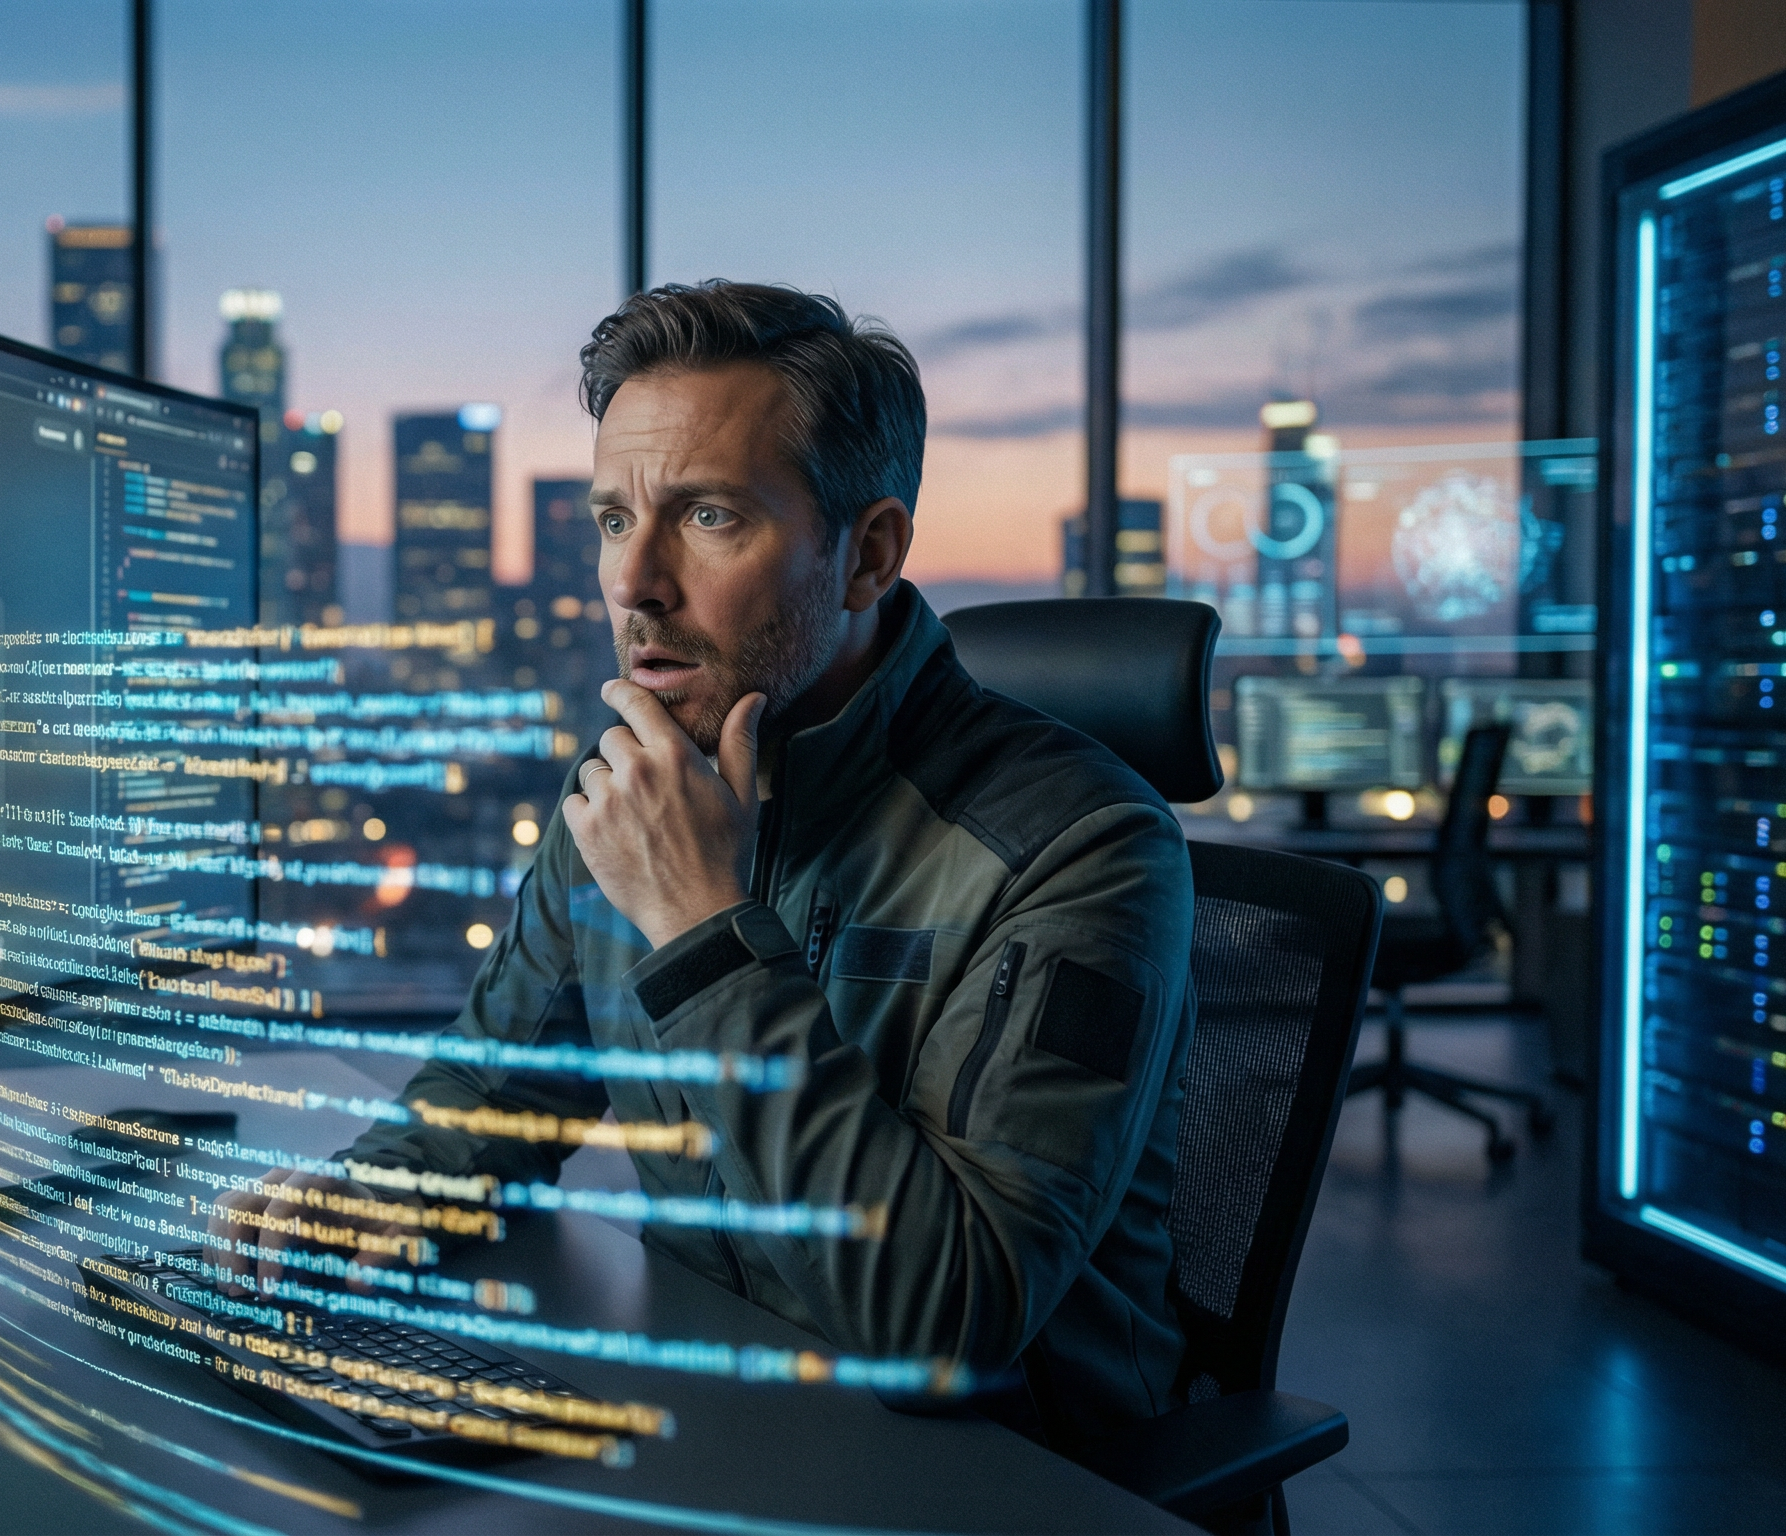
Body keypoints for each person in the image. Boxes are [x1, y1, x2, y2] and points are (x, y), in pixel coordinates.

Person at [210, 280, 1194, 1448]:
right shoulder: (638, 784)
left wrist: (702, 928)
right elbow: (496, 1087)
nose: (633, 582)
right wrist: (374, 1186)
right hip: (721, 1414)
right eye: (614, 520)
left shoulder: (1084, 848)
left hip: (999, 1480)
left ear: (866, 555)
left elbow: (945, 1324)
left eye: (709, 516)